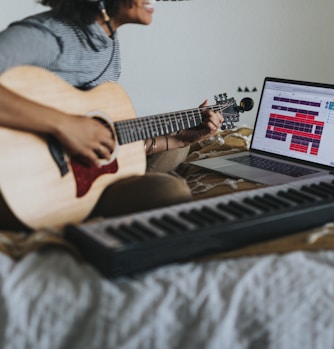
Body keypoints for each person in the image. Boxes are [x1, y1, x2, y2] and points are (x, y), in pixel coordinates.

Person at [0, 0, 224, 230]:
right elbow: (79, 129)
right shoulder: (48, 35)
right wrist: (65, 125)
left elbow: (104, 136)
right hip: (28, 181)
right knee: (171, 191)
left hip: (83, 173)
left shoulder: (109, 45)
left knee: (180, 149)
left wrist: (177, 140)